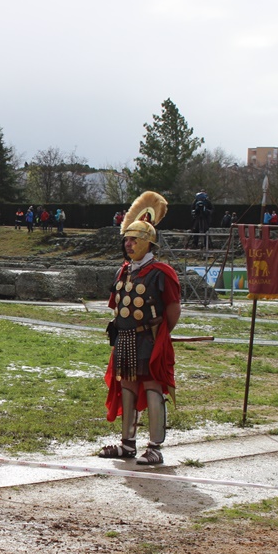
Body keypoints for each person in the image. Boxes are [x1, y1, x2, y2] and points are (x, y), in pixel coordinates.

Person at [99, 191, 181, 465]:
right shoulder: (124, 271)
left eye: (135, 240)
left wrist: (158, 336)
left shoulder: (161, 273)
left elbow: (172, 310)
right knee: (128, 388)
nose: (129, 244)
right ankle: (128, 443)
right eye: (127, 240)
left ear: (148, 243)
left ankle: (155, 446)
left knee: (152, 387)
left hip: (150, 338)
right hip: (124, 338)